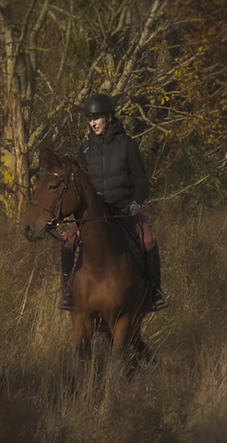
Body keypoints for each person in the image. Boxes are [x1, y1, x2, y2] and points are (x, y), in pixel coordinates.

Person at [59, 93, 168, 312]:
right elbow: (80, 185)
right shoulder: (85, 150)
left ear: (109, 117)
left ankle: (155, 291)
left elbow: (141, 180)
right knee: (68, 241)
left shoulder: (127, 145)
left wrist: (136, 202)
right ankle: (68, 292)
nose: (92, 123)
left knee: (147, 239)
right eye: (89, 119)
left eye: (96, 118)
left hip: (123, 209)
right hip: (94, 214)